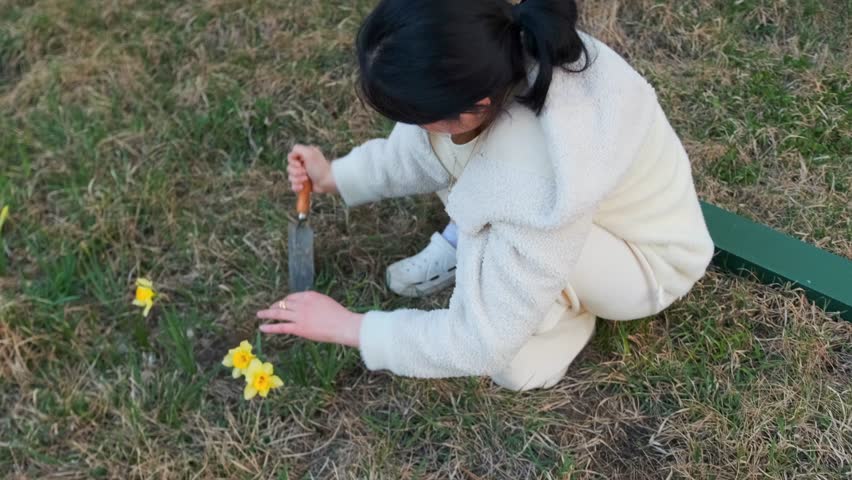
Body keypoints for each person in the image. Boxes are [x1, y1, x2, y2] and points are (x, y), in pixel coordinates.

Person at [256, 0, 715, 391]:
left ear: (472, 109)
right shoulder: (491, 49)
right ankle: (476, 249)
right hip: (571, 212)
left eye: (418, 116)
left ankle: (565, 318)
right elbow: (423, 148)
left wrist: (351, 327)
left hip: (646, 264)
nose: (413, 128)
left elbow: (479, 341)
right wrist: (335, 175)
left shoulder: (533, 176)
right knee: (456, 163)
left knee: (513, 364)